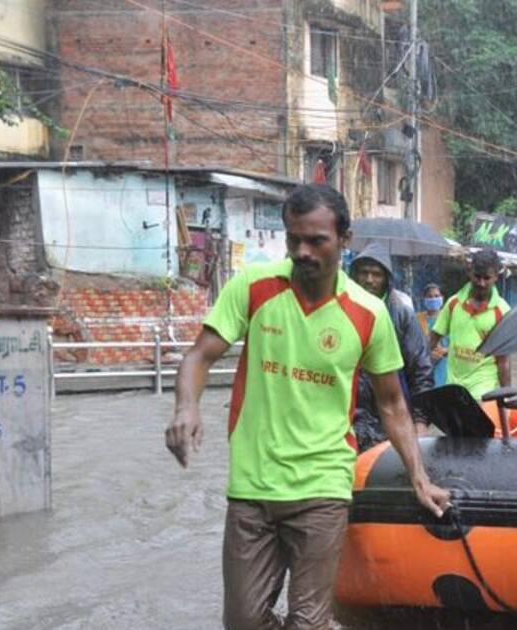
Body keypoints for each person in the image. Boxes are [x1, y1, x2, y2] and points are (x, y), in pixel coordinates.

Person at [164, 184, 449, 628]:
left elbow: (393, 404)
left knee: (308, 621)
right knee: (242, 621)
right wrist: (186, 407)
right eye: (294, 239)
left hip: (324, 484)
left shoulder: (369, 314)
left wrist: (418, 475)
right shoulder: (254, 288)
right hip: (252, 484)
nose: (303, 251)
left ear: (344, 240)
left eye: (317, 240)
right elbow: (200, 355)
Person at [349, 244, 435, 451]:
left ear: (387, 279)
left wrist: (420, 423)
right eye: (364, 273)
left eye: (376, 274)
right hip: (347, 418)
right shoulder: (341, 309)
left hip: (389, 417)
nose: (369, 280)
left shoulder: (401, 315)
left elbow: (421, 370)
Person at [429, 249, 511, 400]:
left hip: (484, 391)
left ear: (496, 277)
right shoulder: (454, 303)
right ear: (469, 272)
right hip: (452, 387)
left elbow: (503, 360)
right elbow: (433, 339)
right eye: (477, 277)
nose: (481, 283)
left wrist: (507, 398)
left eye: (487, 278)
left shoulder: (503, 311)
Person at [417, 283, 449, 387]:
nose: (433, 299)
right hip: (425, 366)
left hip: (446, 366)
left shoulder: (450, 318)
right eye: (429, 296)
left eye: (436, 296)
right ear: (424, 299)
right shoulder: (416, 319)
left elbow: (461, 343)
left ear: (442, 298)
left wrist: (445, 351)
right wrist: (428, 354)